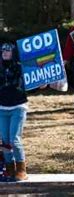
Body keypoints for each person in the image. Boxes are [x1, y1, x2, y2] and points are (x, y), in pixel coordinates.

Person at [0, 43, 28, 181]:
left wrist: (40, 86)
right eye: (2, 50)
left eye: (8, 50)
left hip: (18, 107)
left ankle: (21, 170)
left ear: (13, 52)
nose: (4, 52)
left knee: (14, 140)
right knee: (5, 141)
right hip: (2, 108)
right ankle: (10, 170)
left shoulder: (20, 67)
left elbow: (29, 85)